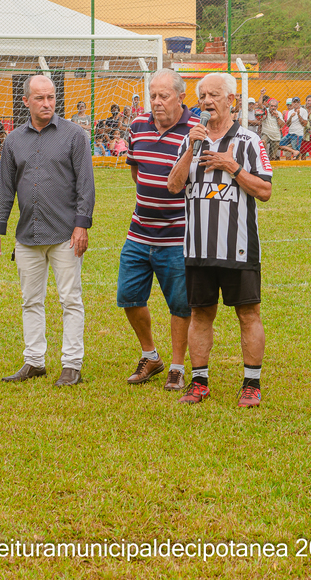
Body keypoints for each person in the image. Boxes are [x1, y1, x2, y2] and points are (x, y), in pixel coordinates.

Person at [166, 72, 273, 408]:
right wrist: (190, 151)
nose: (207, 102)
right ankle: (199, 383)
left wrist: (232, 167)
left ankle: (251, 385)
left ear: (231, 100)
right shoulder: (190, 139)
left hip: (238, 245)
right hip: (197, 246)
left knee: (248, 313)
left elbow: (265, 191)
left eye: (214, 95)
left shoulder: (249, 141)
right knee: (200, 314)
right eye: (202, 97)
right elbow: (173, 185)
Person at [0, 75, 95, 387]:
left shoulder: (75, 135)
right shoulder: (13, 141)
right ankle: (34, 361)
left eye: (50, 97)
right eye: (39, 98)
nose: (46, 103)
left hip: (65, 234)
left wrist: (81, 225)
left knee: (70, 300)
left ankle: (71, 364)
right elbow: (4, 189)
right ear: (26, 102)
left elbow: (85, 187)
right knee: (30, 300)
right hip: (27, 236)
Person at [119, 69, 199, 390]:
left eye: (163, 96)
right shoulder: (138, 126)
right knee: (128, 297)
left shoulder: (195, 130)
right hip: (139, 233)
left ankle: (177, 368)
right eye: (153, 95)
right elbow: (136, 171)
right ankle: (150, 356)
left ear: (181, 97)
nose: (156, 102)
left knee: (179, 305)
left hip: (178, 237)